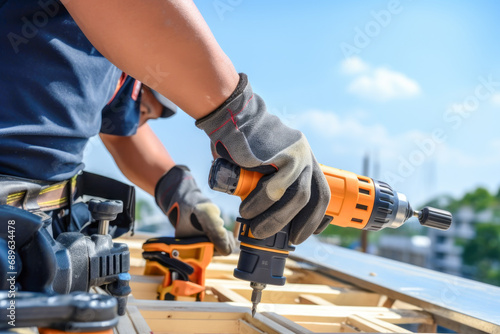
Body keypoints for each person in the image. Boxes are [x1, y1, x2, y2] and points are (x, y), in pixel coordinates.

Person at [0, 0, 330, 257]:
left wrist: (177, 191)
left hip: (36, 228)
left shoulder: (112, 65)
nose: (141, 116)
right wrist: (244, 119)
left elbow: (123, 134)